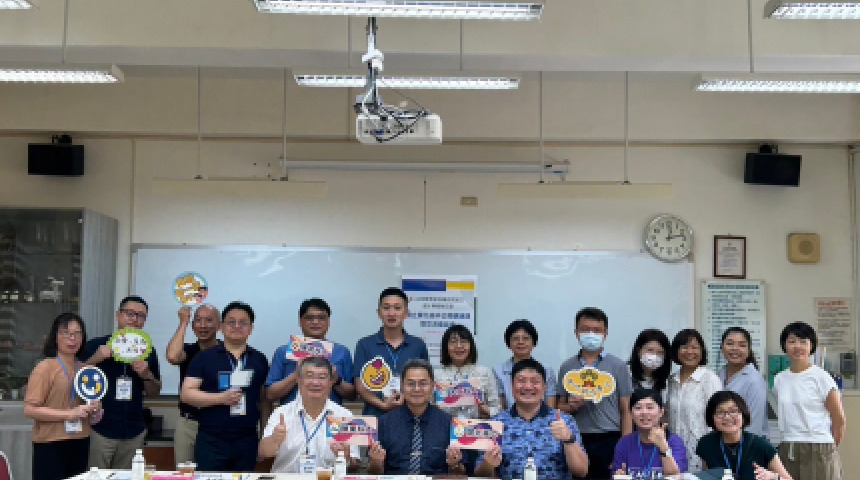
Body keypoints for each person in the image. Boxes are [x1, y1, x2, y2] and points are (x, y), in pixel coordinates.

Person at [180, 301, 270, 472]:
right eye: (231, 322)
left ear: (251, 329)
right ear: (221, 326)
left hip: (247, 439)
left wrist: (265, 435)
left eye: (243, 323)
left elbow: (264, 400)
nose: (237, 326)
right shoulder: (204, 357)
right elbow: (187, 394)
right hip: (212, 438)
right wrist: (221, 398)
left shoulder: (259, 359)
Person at [475, 358, 588, 480]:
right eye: (521, 381)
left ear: (544, 387)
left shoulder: (564, 420)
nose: (528, 387)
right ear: (511, 387)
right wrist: (488, 464)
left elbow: (581, 472)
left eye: (535, 381)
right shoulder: (496, 423)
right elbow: (480, 475)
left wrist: (569, 439)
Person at [85, 295, 162, 469]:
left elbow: (155, 392)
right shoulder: (96, 345)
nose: (134, 319)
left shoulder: (148, 351)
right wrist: (96, 358)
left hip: (133, 431)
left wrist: (146, 375)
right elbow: (74, 377)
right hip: (99, 429)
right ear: (118, 315)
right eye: (130, 313)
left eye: (140, 316)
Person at [556, 307, 633, 480]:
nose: (591, 334)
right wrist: (571, 406)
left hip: (610, 438)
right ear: (576, 333)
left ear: (605, 334)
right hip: (577, 437)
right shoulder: (567, 367)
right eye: (585, 329)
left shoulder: (618, 366)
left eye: (597, 330)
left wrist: (624, 448)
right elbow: (559, 407)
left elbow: (626, 410)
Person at [24, 312, 103, 480]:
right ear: (55, 337)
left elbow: (91, 409)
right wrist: (69, 414)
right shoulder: (45, 367)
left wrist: (95, 407)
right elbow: (30, 409)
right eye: (66, 333)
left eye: (77, 333)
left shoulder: (85, 369)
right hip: (50, 442)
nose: (72, 338)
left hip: (81, 439)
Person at [259, 356, 359, 473]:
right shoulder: (281, 413)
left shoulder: (344, 416)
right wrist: (274, 440)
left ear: (331, 382)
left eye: (322, 377)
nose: (315, 382)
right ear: (299, 380)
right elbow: (263, 453)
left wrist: (346, 458)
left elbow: (353, 467)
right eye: (309, 376)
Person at [773, 321, 845, 480]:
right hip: (788, 446)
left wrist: (829, 448)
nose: (797, 346)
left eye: (803, 341)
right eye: (792, 341)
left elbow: (839, 418)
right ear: (784, 345)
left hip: (818, 446)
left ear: (811, 346)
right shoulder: (779, 379)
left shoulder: (821, 377)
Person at [367, 358, 463, 475]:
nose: (417, 389)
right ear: (402, 386)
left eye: (423, 383)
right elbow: (372, 473)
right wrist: (376, 462)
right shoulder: (384, 423)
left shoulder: (449, 423)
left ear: (433, 386)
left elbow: (461, 474)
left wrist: (454, 464)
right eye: (411, 383)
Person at [353, 287, 429, 417]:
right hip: (375, 416)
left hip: (410, 415)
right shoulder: (364, 344)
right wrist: (383, 405)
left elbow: (425, 382)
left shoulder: (418, 345)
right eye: (386, 308)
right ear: (379, 313)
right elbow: (360, 385)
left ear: (406, 313)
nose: (391, 313)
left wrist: (407, 398)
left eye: (397, 308)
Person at [266, 298, 355, 406]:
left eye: (321, 318)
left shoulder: (342, 351)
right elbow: (270, 395)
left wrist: (337, 380)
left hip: (331, 415)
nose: (315, 322)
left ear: (329, 322)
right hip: (292, 414)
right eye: (309, 318)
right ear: (300, 322)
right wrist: (296, 375)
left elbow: (352, 395)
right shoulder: (283, 352)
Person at [165, 304, 221, 464]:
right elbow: (172, 357)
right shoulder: (189, 351)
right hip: (189, 423)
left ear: (219, 325)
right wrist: (183, 322)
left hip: (217, 423)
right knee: (184, 472)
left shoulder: (226, 351)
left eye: (209, 320)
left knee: (213, 471)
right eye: (198, 320)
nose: (203, 325)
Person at [696, 390, 793, 480]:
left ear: (743, 414)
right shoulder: (706, 444)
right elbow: (706, 475)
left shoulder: (762, 446)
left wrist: (773, 476)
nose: (727, 417)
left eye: (733, 411)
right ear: (712, 417)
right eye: (720, 412)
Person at [667, 328, 722, 472]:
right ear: (676, 351)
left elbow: (719, 417)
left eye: (694, 347)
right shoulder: (671, 381)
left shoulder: (710, 379)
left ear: (702, 351)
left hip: (701, 452)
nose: (690, 352)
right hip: (673, 450)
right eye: (684, 347)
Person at [612, 389, 687, 476]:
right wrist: (619, 475)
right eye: (638, 408)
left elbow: (676, 476)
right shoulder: (624, 443)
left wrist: (663, 447)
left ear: (661, 412)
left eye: (650, 407)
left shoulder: (674, 441)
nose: (644, 412)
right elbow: (616, 474)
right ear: (631, 414)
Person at [433, 324, 501, 419]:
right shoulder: (436, 375)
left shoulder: (484, 373)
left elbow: (497, 408)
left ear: (471, 346)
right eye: (453, 342)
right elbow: (427, 407)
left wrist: (488, 411)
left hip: (476, 426)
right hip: (444, 426)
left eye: (464, 341)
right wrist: (434, 410)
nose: (459, 346)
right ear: (446, 347)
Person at [492, 319, 557, 409]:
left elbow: (550, 407)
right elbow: (500, 408)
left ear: (533, 342)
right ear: (508, 343)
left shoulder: (547, 370)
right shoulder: (498, 371)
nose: (521, 342)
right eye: (515, 338)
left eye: (526, 338)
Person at [718, 326, 769, 437]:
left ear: (749, 350)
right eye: (730, 343)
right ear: (722, 347)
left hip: (747, 443)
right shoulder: (720, 374)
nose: (735, 348)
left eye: (742, 345)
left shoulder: (754, 380)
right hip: (724, 440)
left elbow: (754, 425)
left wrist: (739, 445)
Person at [628, 329, 671, 393]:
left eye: (660, 352)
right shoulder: (624, 373)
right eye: (650, 350)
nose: (655, 356)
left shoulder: (659, 380)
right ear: (639, 351)